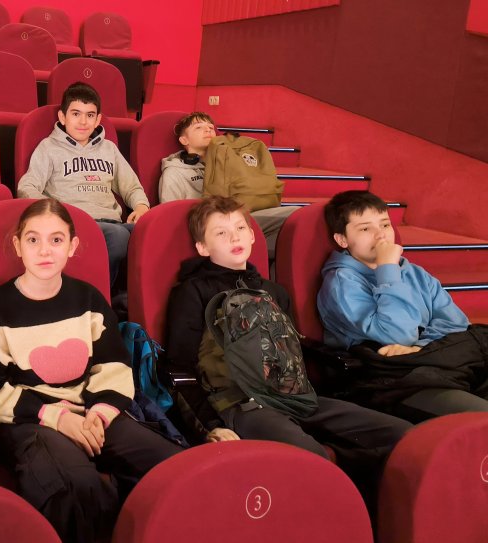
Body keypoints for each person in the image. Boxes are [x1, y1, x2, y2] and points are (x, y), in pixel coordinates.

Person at [164, 196, 410, 509]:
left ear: (253, 235)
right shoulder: (194, 291)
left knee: (401, 435)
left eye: (240, 228)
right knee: (314, 460)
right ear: (202, 247)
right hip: (240, 404)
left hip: (293, 397)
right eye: (221, 233)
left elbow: (292, 353)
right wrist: (211, 426)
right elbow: (179, 367)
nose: (235, 237)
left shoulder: (273, 291)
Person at [0, 199, 183, 543]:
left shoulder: (88, 300)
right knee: (76, 485)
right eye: (33, 239)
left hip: (92, 411)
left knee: (171, 467)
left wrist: (99, 413)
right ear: (18, 245)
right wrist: (56, 417)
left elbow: (112, 365)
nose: (45, 250)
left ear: (72, 246)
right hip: (29, 421)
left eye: (56, 239)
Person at [317, 190, 488, 419]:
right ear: (342, 240)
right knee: (482, 417)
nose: (381, 235)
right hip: (388, 381)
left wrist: (419, 349)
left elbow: (456, 323)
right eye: (366, 229)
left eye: (385, 225)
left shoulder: (414, 272)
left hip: (436, 366)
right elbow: (397, 335)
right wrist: (387, 269)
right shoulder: (341, 283)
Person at [16, 82, 149, 297]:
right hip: (76, 222)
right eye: (76, 114)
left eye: (90, 115)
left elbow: (131, 186)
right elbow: (27, 186)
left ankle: (126, 302)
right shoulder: (48, 147)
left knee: (147, 235)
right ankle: (97, 298)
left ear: (98, 119)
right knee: (118, 237)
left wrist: (141, 206)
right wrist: (56, 213)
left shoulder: (109, 149)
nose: (83, 121)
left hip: (113, 222)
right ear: (62, 117)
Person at [160, 111, 296, 261]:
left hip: (243, 216)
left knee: (292, 232)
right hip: (217, 225)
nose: (208, 130)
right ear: (184, 140)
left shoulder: (228, 162)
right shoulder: (174, 172)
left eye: (211, 127)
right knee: (294, 217)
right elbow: (169, 217)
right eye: (199, 127)